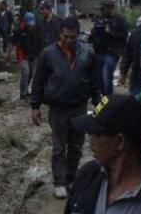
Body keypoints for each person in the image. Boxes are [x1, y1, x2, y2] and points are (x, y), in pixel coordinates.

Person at [31, 17, 102, 199]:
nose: (69, 40)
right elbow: (38, 81)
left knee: (76, 146)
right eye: (66, 36)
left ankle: (71, 178)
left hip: (79, 107)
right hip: (58, 108)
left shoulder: (87, 53)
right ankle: (59, 182)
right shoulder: (48, 54)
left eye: (73, 37)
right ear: (60, 34)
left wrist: (100, 106)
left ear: (78, 35)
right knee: (59, 147)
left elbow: (95, 83)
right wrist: (35, 106)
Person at [90, 0, 128, 95]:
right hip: (99, 51)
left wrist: (110, 33)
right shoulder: (99, 19)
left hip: (112, 53)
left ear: (109, 8)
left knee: (106, 78)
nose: (101, 11)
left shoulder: (119, 20)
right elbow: (93, 36)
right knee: (98, 79)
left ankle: (108, 99)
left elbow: (124, 37)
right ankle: (102, 99)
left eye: (103, 9)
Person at [9, 12, 40, 100]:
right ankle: (23, 93)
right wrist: (8, 55)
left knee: (30, 73)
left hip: (32, 55)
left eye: (32, 25)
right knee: (25, 71)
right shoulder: (18, 31)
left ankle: (25, 89)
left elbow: (39, 42)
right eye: (29, 25)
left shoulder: (36, 30)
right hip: (22, 55)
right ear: (25, 22)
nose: (31, 26)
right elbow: (12, 43)